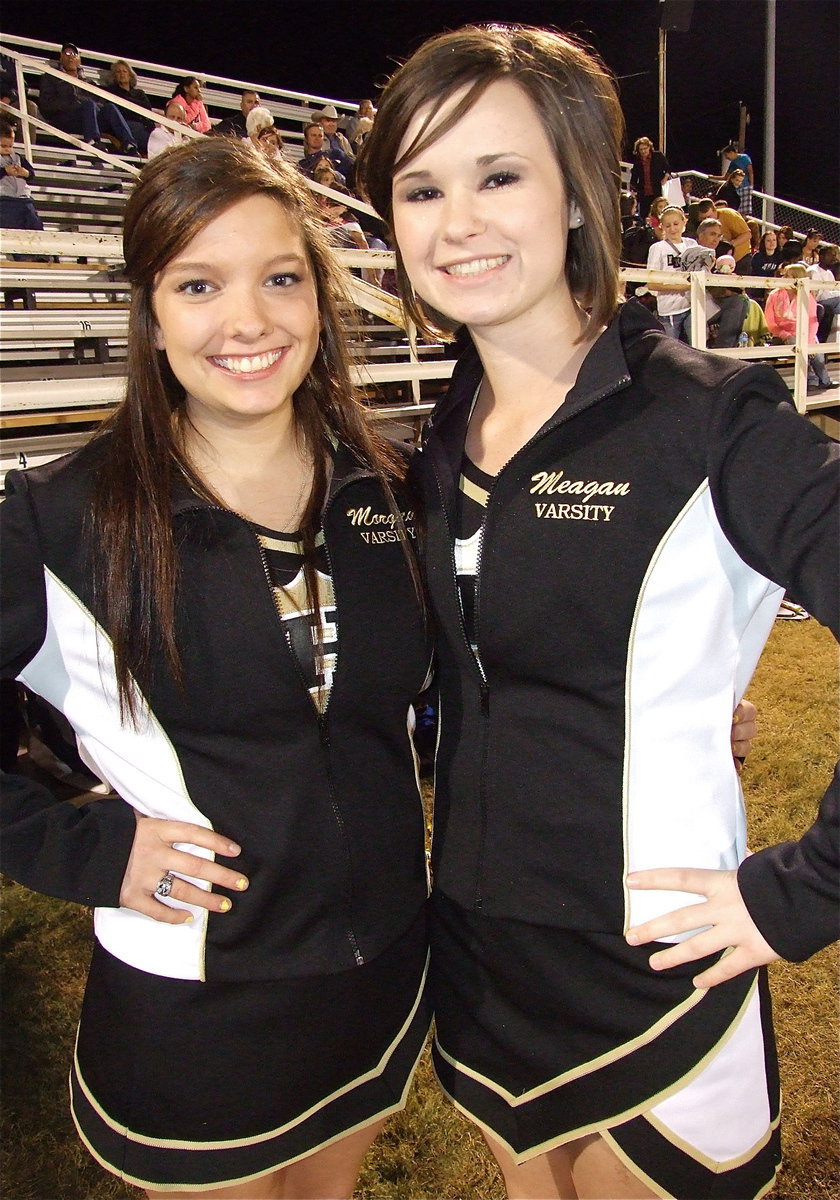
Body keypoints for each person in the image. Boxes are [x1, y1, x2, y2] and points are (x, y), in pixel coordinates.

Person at [358, 23, 839, 1200]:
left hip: (666, 965)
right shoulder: (437, 440)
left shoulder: (715, 420)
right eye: (421, 186)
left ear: (579, 193)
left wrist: (807, 893)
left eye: (499, 175)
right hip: (479, 962)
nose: (456, 221)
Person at [0, 138, 431, 1198]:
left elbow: (425, 707)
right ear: (152, 314)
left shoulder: (390, 487)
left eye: (281, 278)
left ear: (321, 299)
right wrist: (86, 850)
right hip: (197, 1009)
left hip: (382, 975)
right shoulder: (55, 521)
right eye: (200, 284)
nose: (249, 322)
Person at [38, 41, 138, 153]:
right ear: (61, 58)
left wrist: (92, 107)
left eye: (74, 54)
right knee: (88, 104)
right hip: (64, 119)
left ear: (79, 61)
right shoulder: (51, 77)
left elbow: (100, 102)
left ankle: (130, 144)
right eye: (67, 54)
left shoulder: (88, 82)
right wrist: (74, 104)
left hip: (87, 120)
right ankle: (93, 141)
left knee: (110, 107)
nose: (71, 57)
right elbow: (46, 105)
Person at [765, 263, 836, 391]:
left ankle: (825, 380)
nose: (783, 277)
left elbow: (812, 323)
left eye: (787, 275)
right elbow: (770, 322)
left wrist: (809, 342)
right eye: (784, 275)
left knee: (816, 352)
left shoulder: (807, 296)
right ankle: (811, 379)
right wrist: (785, 334)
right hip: (781, 335)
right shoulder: (774, 295)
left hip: (804, 334)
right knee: (796, 342)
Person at [645, 205, 696, 341]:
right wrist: (681, 286)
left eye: (676, 224)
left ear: (684, 222)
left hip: (692, 306)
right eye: (668, 225)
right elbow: (652, 284)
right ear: (662, 226)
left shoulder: (692, 244)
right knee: (671, 351)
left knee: (697, 348)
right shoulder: (657, 248)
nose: (672, 229)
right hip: (669, 311)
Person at [0, 118, 44, 230]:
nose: (7, 150)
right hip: (5, 201)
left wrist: (25, 173)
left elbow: (32, 174)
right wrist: (5, 171)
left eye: (10, 146)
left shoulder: (19, 158)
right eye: (3, 146)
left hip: (24, 199)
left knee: (35, 227)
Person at [104, 58, 154, 155]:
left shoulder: (139, 93)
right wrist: (136, 107)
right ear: (114, 76)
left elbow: (147, 107)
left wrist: (126, 102)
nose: (122, 74)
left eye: (124, 71)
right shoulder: (112, 91)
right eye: (118, 72)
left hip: (143, 125)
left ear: (130, 75)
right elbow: (118, 110)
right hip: (126, 125)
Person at [629, 135, 670, 219]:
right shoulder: (637, 161)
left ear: (649, 147)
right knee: (644, 216)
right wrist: (635, 189)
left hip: (657, 190)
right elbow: (634, 178)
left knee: (658, 214)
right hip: (644, 193)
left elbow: (668, 168)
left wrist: (665, 178)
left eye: (645, 148)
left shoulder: (657, 156)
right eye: (641, 149)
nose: (643, 151)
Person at [808, 243, 840, 343]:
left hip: (831, 303)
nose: (835, 258)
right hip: (817, 302)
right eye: (831, 255)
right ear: (822, 256)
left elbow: (833, 292)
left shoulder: (829, 273)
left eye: (835, 255)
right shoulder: (813, 271)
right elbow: (819, 295)